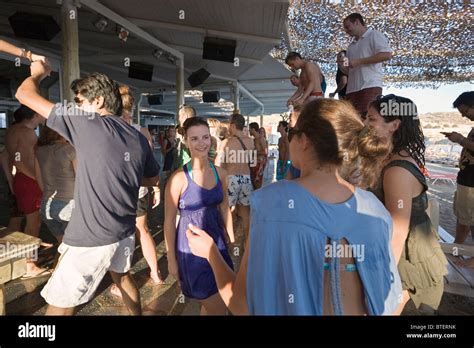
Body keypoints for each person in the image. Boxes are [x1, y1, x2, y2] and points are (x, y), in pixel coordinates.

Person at [186, 99, 402, 315]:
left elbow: (243, 306)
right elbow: (387, 300)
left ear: (304, 141)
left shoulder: (271, 203)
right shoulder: (376, 210)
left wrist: (211, 253)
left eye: (291, 133)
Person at [16, 61, 160, 316]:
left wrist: (37, 75)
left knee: (60, 304)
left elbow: (24, 95)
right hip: (123, 230)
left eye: (79, 101)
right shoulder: (136, 136)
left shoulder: (87, 123)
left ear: (99, 101)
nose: (76, 106)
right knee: (123, 278)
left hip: (90, 237)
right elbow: (151, 179)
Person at [367, 94, 448, 313]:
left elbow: (398, 229)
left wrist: (385, 277)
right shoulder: (390, 159)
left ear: (394, 125)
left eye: (371, 119)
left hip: (407, 268)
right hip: (404, 259)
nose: (366, 124)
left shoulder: (397, 170)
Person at [164, 117, 234, 315]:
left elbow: (224, 207)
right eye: (194, 139)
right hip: (191, 250)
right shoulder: (178, 179)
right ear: (186, 141)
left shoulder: (221, 173)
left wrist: (231, 237)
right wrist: (171, 259)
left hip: (218, 244)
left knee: (211, 304)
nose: (201, 143)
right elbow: (169, 221)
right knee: (220, 307)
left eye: (205, 137)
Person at [106, 85, 164, 299]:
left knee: (122, 235)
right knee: (143, 229)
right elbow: (151, 165)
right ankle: (156, 275)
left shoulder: (107, 127)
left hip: (115, 191)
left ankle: (122, 284)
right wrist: (155, 186)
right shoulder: (142, 131)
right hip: (139, 188)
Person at [5, 105, 48, 277]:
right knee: (33, 224)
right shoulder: (26, 132)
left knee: (22, 223)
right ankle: (30, 264)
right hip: (29, 181)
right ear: (36, 113)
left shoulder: (12, 130)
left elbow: (10, 157)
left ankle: (21, 260)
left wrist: (11, 180)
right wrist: (37, 180)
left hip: (22, 181)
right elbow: (20, 161)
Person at [340, 13, 392, 118]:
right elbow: (348, 69)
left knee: (367, 119)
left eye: (347, 26)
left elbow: (387, 55)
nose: (346, 30)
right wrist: (342, 64)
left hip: (369, 85)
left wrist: (358, 62)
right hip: (352, 89)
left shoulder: (374, 35)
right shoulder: (351, 46)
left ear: (357, 22)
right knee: (352, 121)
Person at [443, 92, 474, 252]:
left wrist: (461, 140)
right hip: (466, 180)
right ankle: (457, 246)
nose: (464, 116)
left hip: (472, 183)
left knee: (470, 219)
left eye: (465, 112)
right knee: (464, 217)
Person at [215, 114, 255, 240]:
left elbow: (218, 164)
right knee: (245, 213)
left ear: (232, 125)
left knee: (227, 212)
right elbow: (253, 162)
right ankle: (247, 242)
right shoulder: (250, 141)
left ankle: (229, 241)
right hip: (246, 178)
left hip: (231, 179)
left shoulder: (226, 142)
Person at [35, 126, 75, 246]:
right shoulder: (70, 150)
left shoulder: (39, 151)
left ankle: (58, 265)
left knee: (63, 245)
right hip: (69, 205)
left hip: (47, 206)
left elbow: (39, 179)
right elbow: (82, 179)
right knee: (72, 247)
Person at [248, 122, 267, 189]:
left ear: (253, 129)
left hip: (259, 164)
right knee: (253, 182)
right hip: (254, 163)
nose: (249, 130)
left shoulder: (261, 138)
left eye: (249, 129)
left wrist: (254, 152)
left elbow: (265, 152)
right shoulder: (254, 139)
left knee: (257, 182)